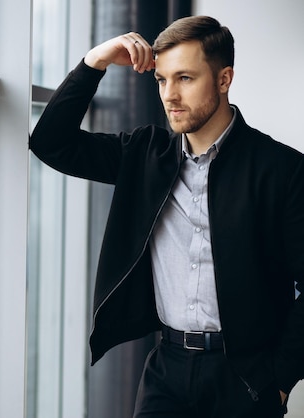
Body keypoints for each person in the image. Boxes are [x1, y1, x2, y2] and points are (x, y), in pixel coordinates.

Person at [29, 15, 304, 418]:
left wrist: (281, 380)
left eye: (186, 78)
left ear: (224, 79)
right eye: (161, 80)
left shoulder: (283, 169)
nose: (170, 95)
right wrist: (95, 62)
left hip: (245, 376)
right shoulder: (144, 153)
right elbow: (50, 143)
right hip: (166, 370)